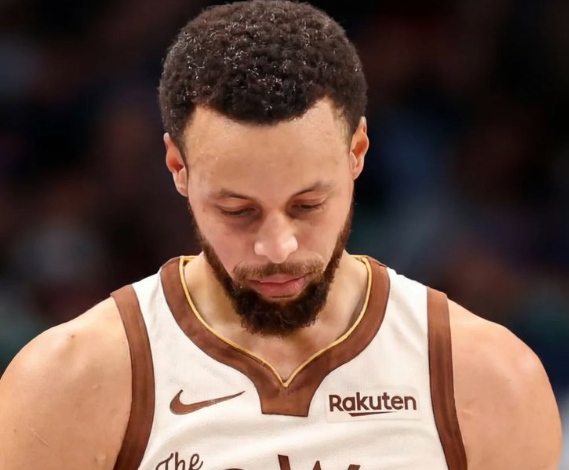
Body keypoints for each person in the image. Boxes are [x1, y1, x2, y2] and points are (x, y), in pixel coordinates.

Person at [0, 1, 561, 469]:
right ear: (178, 168)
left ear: (357, 152)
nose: (277, 247)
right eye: (238, 211)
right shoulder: (68, 382)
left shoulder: (488, 379)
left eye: (307, 205)